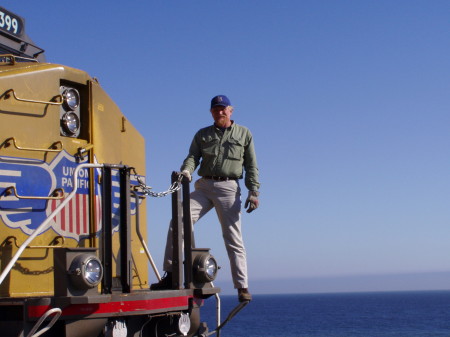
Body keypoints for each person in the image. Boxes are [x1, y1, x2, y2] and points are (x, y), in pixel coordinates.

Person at [151, 95, 260, 302]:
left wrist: (253, 192)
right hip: (204, 185)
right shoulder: (203, 134)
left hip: (228, 186)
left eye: (223, 109)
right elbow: (193, 156)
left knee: (233, 237)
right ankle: (171, 274)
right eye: (215, 109)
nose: (219, 112)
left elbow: (251, 165)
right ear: (211, 112)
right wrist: (186, 171)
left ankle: (242, 286)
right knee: (178, 222)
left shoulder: (244, 133)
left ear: (231, 110)